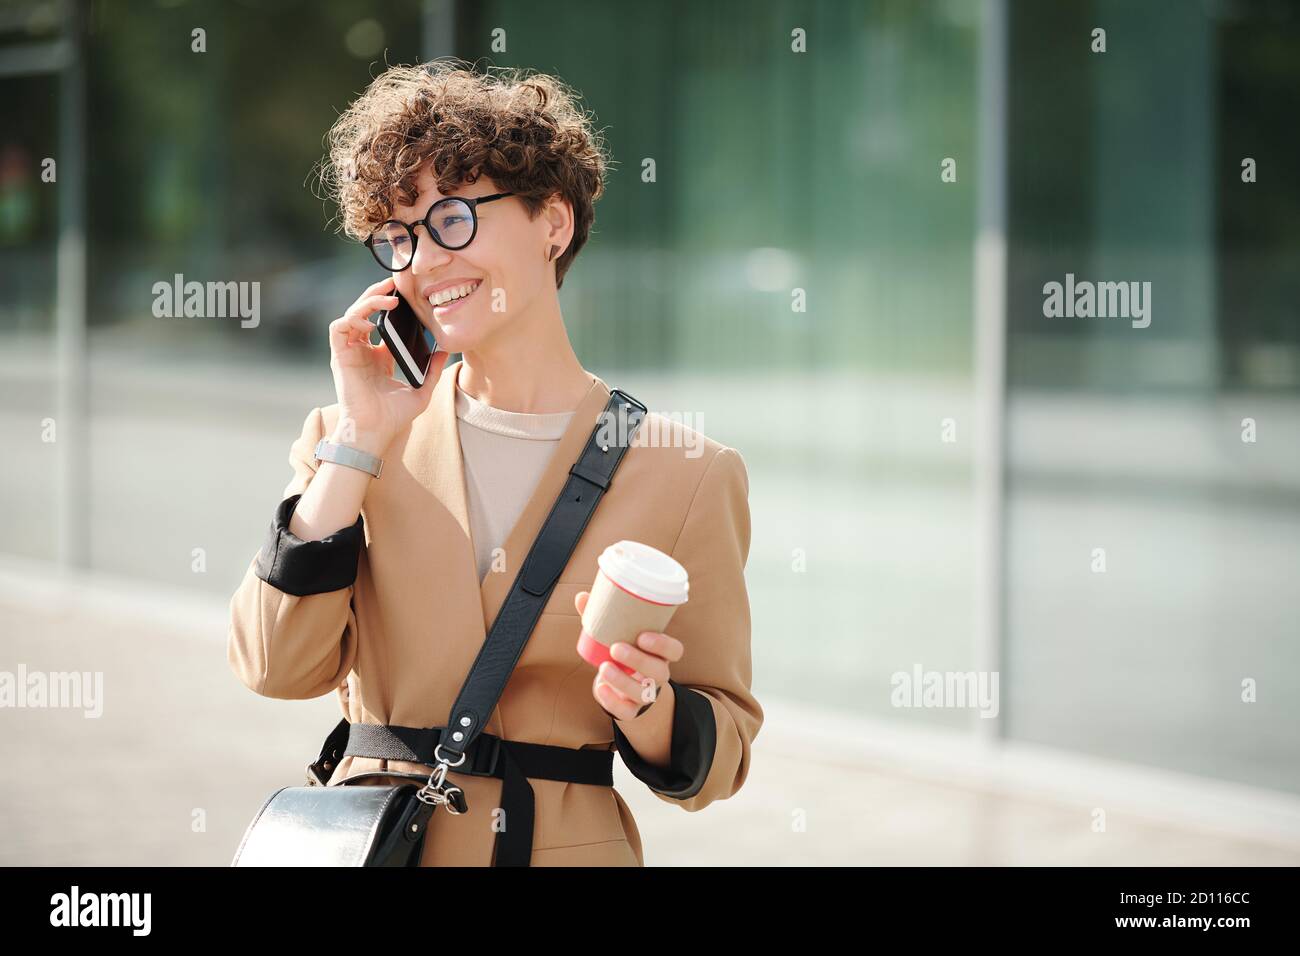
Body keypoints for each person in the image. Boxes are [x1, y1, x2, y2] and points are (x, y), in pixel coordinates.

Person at [227, 59, 761, 866]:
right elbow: (272, 665)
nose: (423, 260)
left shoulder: (687, 472)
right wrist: (360, 442)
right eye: (399, 236)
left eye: (451, 219)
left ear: (554, 221)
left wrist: (643, 705)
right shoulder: (350, 439)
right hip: (377, 846)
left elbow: (721, 752)